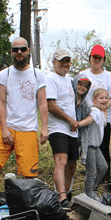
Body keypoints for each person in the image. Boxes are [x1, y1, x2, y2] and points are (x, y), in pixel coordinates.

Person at [0, 38, 48, 212]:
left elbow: (42, 103)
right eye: (15, 49)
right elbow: (0, 102)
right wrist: (3, 129)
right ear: (11, 52)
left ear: (28, 51)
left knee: (28, 175)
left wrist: (45, 128)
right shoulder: (4, 74)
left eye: (22, 49)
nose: (19, 53)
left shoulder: (37, 74)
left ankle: (24, 206)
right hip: (7, 125)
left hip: (28, 129)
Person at [78, 44, 111, 184]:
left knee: (104, 148)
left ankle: (105, 180)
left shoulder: (109, 76)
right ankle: (91, 178)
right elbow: (77, 92)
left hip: (104, 118)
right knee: (89, 148)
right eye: (94, 57)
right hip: (88, 118)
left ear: (103, 60)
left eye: (99, 57)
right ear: (90, 58)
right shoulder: (83, 75)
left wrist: (104, 106)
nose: (96, 60)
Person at [46, 49, 79, 207]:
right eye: (61, 61)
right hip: (58, 127)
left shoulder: (70, 81)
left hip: (72, 129)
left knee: (72, 164)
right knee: (61, 161)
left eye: (67, 61)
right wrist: (69, 120)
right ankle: (61, 197)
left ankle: (66, 196)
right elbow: (51, 106)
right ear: (54, 62)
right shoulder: (51, 78)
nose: (65, 64)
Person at [79, 88, 109, 199]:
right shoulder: (95, 111)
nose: (104, 100)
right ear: (94, 100)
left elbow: (104, 124)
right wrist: (78, 124)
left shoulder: (100, 112)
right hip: (88, 145)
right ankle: (88, 194)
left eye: (106, 98)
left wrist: (105, 111)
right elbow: (90, 120)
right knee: (92, 171)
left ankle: (93, 189)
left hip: (95, 147)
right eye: (101, 98)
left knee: (103, 167)